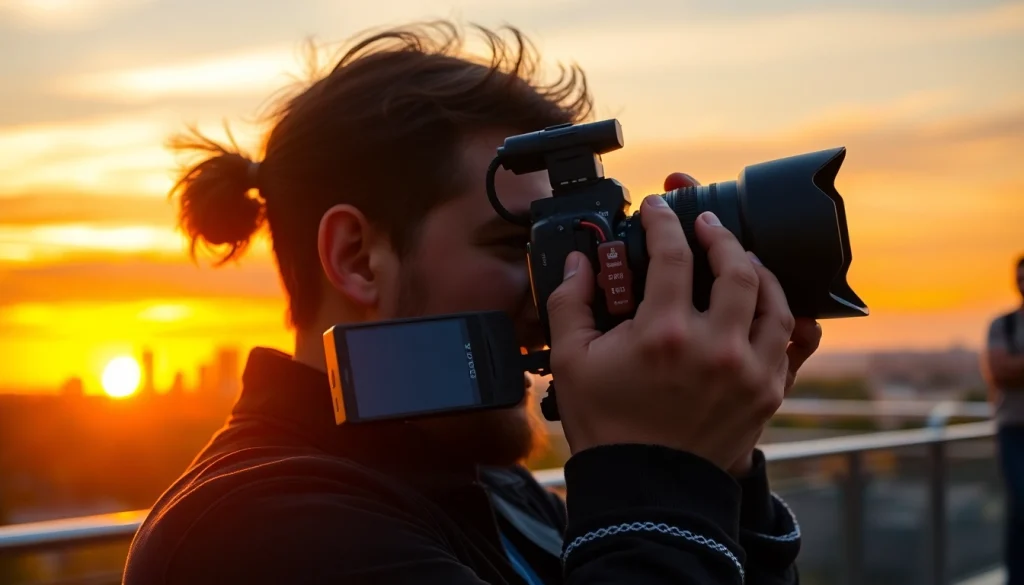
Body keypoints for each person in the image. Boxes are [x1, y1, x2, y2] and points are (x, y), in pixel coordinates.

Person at [123, 21, 823, 585]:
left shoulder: (493, 489)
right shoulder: (257, 532)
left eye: (585, 243)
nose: (563, 293)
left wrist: (720, 470)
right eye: (523, 245)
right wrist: (663, 470)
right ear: (357, 258)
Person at [982, 255, 1024, 585]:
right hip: (1013, 430)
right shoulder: (1003, 325)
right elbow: (1001, 371)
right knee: (1020, 506)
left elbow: (1011, 369)